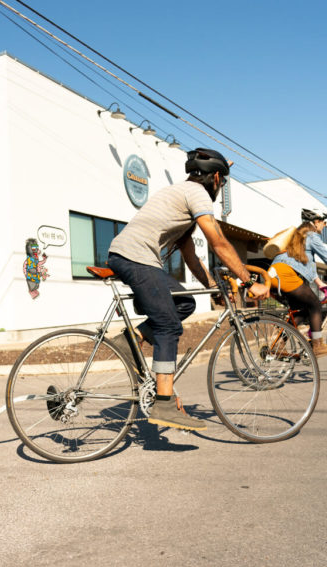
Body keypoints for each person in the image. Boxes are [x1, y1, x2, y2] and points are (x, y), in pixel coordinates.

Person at [107, 147, 270, 431]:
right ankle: (165, 403)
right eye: (223, 181)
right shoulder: (196, 194)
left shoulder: (181, 194)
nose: (221, 187)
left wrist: (211, 286)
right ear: (216, 177)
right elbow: (218, 242)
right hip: (136, 258)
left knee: (185, 304)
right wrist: (247, 280)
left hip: (133, 257)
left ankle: (130, 340)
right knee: (168, 327)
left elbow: (190, 254)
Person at [268, 208, 327, 357]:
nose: (324, 225)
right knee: (315, 305)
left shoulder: (297, 236)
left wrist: (319, 282)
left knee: (300, 311)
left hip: (274, 273)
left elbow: (306, 265)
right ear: (316, 222)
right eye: (324, 222)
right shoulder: (311, 236)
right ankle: (317, 346)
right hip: (286, 275)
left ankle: (279, 344)